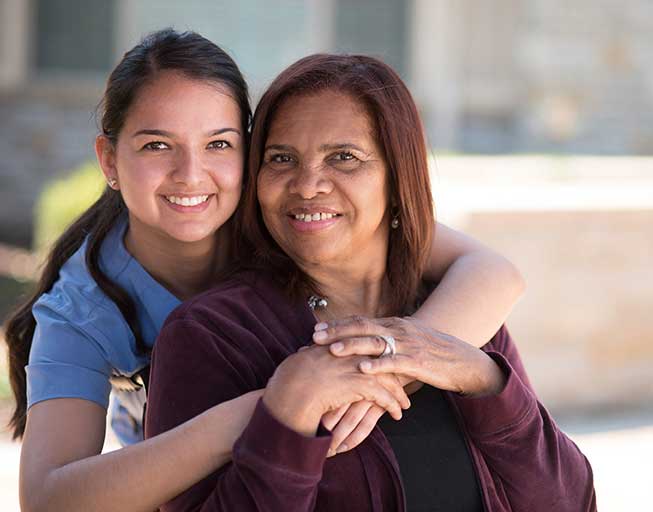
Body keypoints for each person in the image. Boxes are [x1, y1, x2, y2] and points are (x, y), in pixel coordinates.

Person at [4, 31, 524, 512]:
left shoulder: (293, 217)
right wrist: (278, 404)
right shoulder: (83, 310)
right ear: (110, 160)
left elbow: (493, 271)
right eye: (156, 146)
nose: (191, 174)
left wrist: (386, 369)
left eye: (219, 144)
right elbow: (50, 498)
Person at [145, 54, 596, 511]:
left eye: (344, 158)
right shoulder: (209, 336)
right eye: (282, 158)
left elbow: (569, 500)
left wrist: (483, 378)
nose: (307, 185)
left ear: (398, 179)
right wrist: (288, 415)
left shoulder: (456, 314)